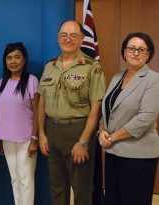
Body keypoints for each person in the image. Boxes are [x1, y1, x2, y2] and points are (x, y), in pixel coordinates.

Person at [38, 20, 105, 205]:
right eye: (63, 35)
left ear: (82, 39)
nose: (68, 39)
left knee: (82, 188)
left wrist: (83, 141)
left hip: (78, 131)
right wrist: (42, 134)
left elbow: (95, 108)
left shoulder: (92, 67)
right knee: (56, 187)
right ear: (58, 38)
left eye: (73, 35)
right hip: (52, 131)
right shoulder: (50, 66)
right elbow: (42, 102)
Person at [98, 32, 159, 205]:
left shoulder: (154, 80)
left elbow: (145, 118)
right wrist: (102, 130)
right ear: (124, 52)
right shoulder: (118, 77)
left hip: (138, 157)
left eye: (141, 49)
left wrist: (112, 137)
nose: (135, 52)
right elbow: (107, 111)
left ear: (148, 55)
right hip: (112, 153)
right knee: (112, 200)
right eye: (131, 48)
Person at [0, 42, 39, 205]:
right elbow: (0, 113)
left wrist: (34, 138)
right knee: (14, 179)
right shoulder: (1, 83)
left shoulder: (32, 81)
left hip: (26, 139)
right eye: (9, 58)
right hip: (6, 140)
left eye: (17, 57)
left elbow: (37, 113)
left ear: (24, 60)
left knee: (26, 180)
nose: (13, 61)